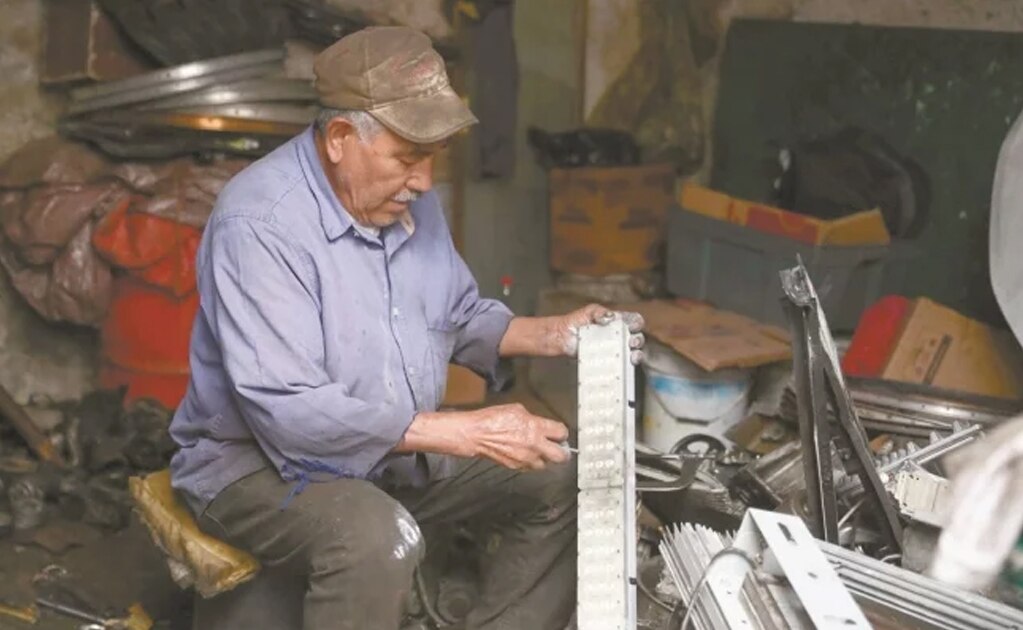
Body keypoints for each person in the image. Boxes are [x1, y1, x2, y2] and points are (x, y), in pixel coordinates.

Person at [168, 25, 644, 630]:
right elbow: (289, 412)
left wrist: (554, 334)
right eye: (407, 157)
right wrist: (464, 432)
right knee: (375, 539)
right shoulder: (260, 223)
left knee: (567, 478)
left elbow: (457, 316)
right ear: (341, 137)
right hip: (255, 469)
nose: (423, 180)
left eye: (432, 157)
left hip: (388, 453)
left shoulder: (407, 200)